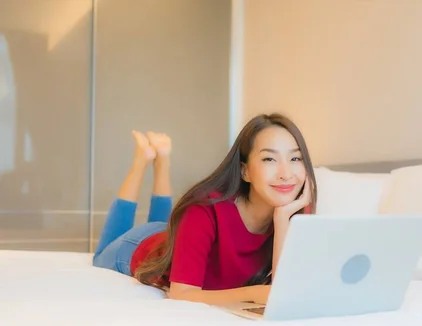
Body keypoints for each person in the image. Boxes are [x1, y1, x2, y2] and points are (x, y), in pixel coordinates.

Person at [92, 113, 317, 306]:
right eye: (270, 159)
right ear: (245, 171)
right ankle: (143, 161)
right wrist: (254, 294)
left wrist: (282, 221)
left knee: (168, 225)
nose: (286, 173)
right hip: (142, 246)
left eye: (295, 158)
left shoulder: (291, 214)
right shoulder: (204, 210)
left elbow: (282, 294)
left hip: (176, 236)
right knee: (100, 255)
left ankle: (161, 160)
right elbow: (182, 293)